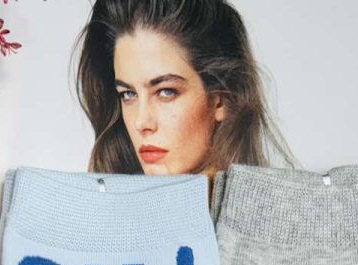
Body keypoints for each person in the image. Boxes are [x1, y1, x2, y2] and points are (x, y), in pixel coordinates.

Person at [75, 0, 292, 178]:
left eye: (166, 92)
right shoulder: (107, 215)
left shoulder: (284, 213)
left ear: (221, 99)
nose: (142, 123)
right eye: (128, 94)